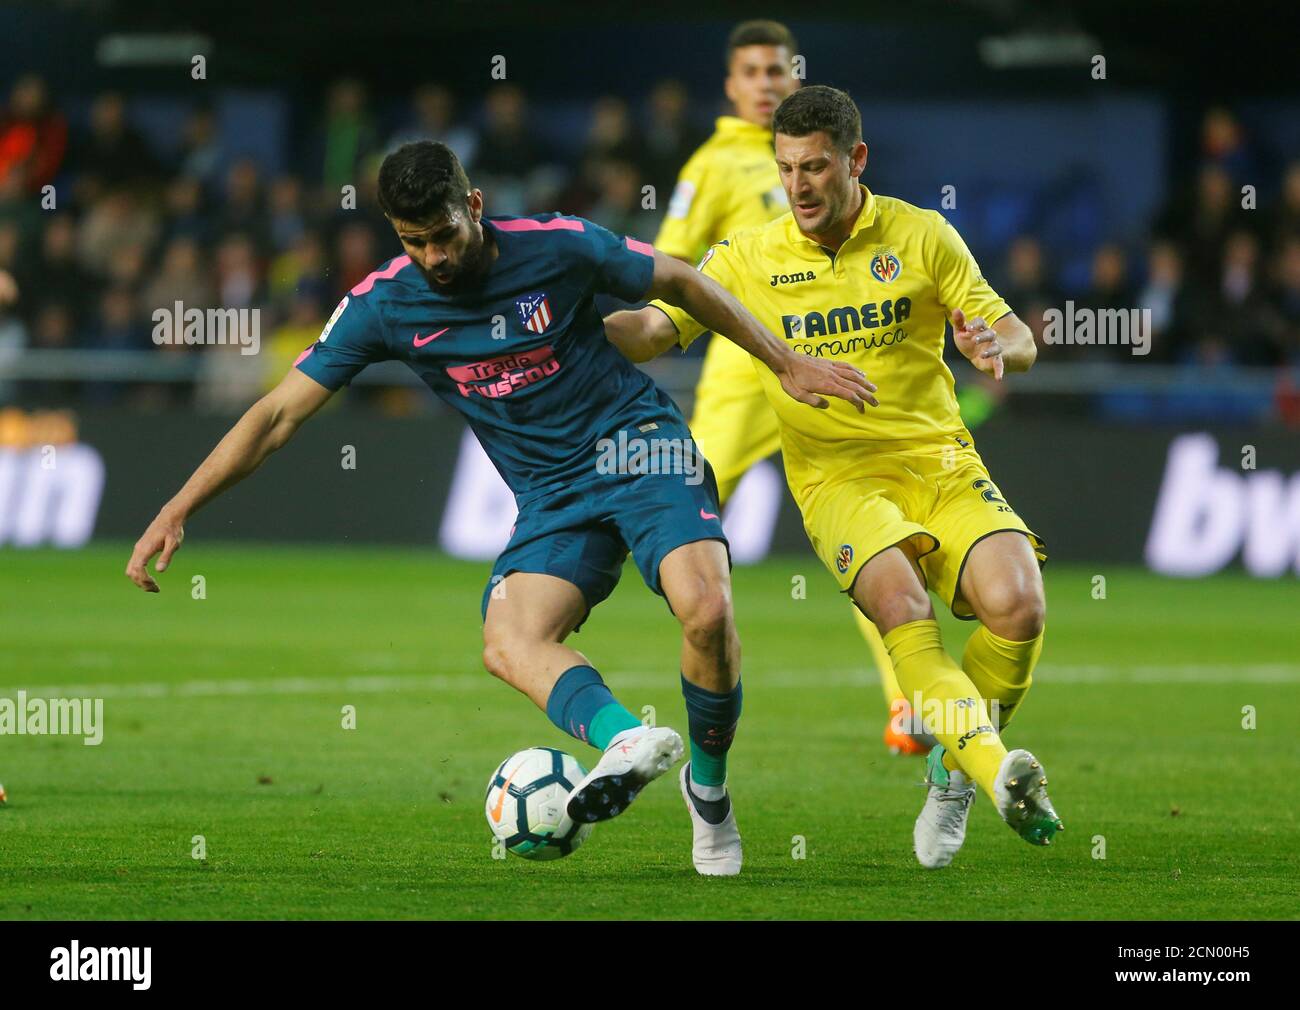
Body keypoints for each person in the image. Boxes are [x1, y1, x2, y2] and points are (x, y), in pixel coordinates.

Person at [125, 140, 871, 876]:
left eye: (445, 235)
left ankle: (707, 793)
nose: (434, 258)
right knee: (506, 640)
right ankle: (621, 740)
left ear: (474, 205)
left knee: (705, 612)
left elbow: (678, 279)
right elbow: (278, 415)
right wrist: (180, 505)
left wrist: (785, 361)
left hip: (641, 450)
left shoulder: (558, 245)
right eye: (414, 242)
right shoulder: (385, 304)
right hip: (551, 495)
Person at [605, 87, 1063, 868]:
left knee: (1018, 607)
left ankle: (950, 773)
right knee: (901, 605)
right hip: (837, 478)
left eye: (814, 166)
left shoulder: (922, 234)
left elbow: (1014, 333)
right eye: (785, 169)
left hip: (940, 460)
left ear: (856, 159)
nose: (799, 186)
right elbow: (651, 332)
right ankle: (993, 774)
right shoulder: (748, 257)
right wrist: (558, 314)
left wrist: (997, 347)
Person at [655, 20, 924, 756]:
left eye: (778, 68)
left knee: (871, 538)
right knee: (685, 514)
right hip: (744, 376)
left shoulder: (820, 153)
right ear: (732, 85)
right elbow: (671, 265)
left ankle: (909, 703)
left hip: (832, 363)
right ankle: (696, 673)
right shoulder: (711, 165)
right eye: (752, 71)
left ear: (795, 75)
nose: (767, 80)